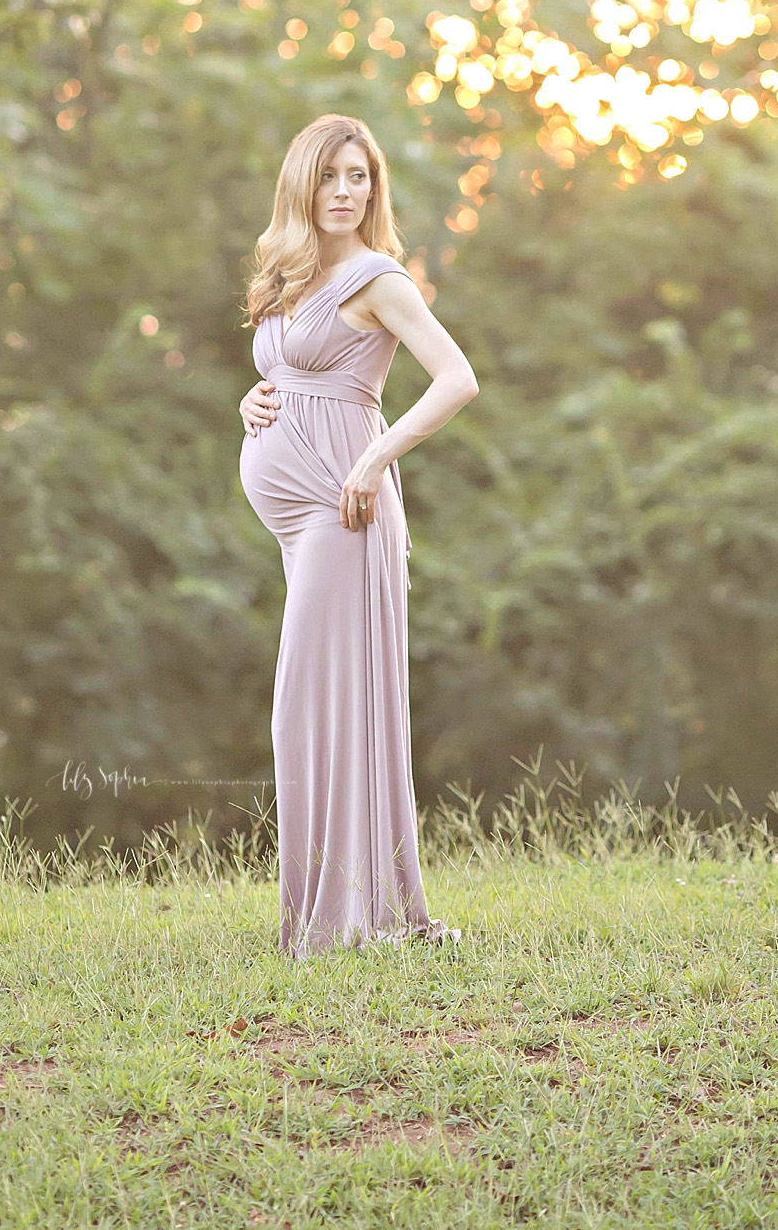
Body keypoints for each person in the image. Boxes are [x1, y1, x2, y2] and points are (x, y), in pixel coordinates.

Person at [239, 113, 478, 956]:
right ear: (302, 183)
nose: (346, 192)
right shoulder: (291, 273)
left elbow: (458, 379)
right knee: (317, 709)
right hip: (299, 516)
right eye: (332, 176)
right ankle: (334, 911)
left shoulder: (379, 279)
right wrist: (252, 401)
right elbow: (288, 373)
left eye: (361, 177)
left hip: (346, 508)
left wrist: (376, 456)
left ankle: (346, 920)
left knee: (312, 706)